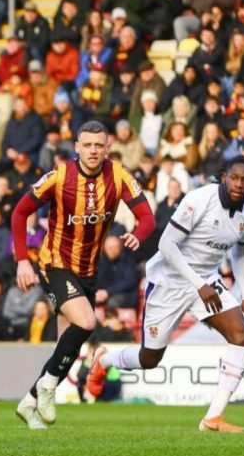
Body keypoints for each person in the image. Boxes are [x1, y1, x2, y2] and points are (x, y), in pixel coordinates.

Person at [87, 156, 244, 433]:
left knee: (242, 335)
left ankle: (213, 418)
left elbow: (241, 252)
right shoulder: (198, 200)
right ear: (223, 176)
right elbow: (166, 244)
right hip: (169, 280)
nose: (239, 184)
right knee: (150, 360)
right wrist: (197, 285)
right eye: (234, 178)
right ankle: (103, 359)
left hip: (205, 280)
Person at [10, 121, 155, 430]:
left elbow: (147, 218)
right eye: (87, 145)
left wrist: (139, 236)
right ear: (76, 147)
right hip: (55, 263)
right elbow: (20, 213)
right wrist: (23, 261)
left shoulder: (119, 176)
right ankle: (48, 387)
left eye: (98, 145)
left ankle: (30, 400)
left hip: (89, 270)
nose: (93, 150)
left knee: (69, 344)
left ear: (107, 147)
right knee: (86, 322)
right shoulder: (59, 177)